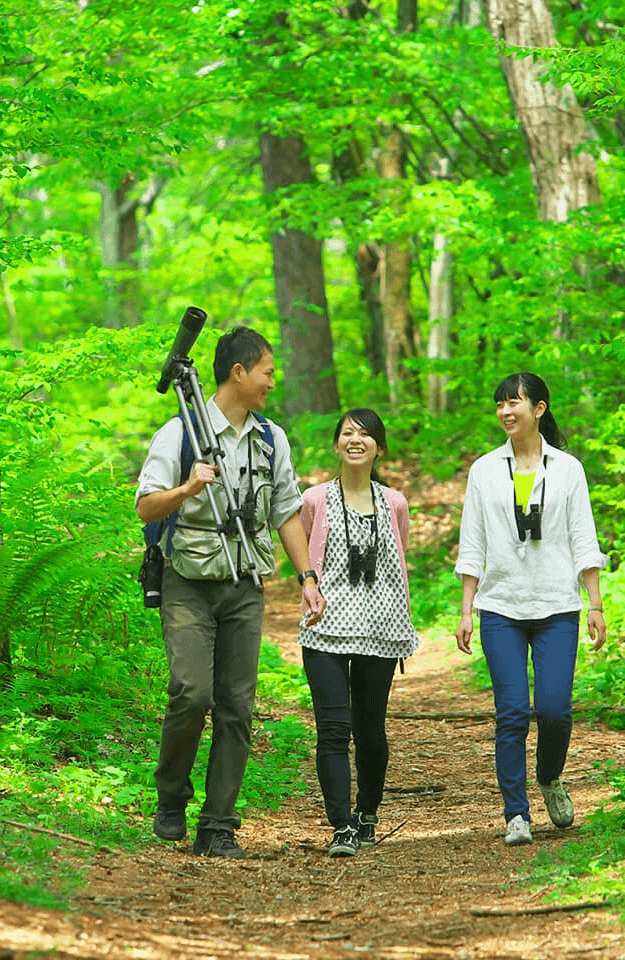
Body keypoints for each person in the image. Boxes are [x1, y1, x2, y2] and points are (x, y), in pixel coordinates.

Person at [135, 326, 326, 858]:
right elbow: (146, 506)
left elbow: (285, 511)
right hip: (188, 583)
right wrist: (188, 488)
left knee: (237, 707)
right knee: (191, 693)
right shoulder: (179, 433)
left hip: (245, 584)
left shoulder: (271, 438)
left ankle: (218, 824)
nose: (272, 381)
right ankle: (171, 794)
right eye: (267, 371)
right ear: (238, 372)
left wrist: (307, 577)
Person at [454, 372, 607, 847]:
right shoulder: (483, 470)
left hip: (557, 605)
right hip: (500, 606)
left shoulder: (567, 469)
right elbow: (472, 542)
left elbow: (584, 537)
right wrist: (466, 610)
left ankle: (550, 776)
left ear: (538, 408)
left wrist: (595, 602)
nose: (505, 411)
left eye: (514, 402)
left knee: (555, 710)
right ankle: (515, 813)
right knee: (513, 711)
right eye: (499, 403)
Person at [297, 408, 417, 857]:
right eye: (347, 432)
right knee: (332, 728)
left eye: (365, 435)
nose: (355, 440)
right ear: (336, 444)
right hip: (323, 629)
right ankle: (341, 825)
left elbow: (398, 560)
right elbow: (305, 551)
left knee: (370, 728)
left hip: (381, 630)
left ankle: (368, 811)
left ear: (379, 448)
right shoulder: (314, 500)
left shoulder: (395, 502)